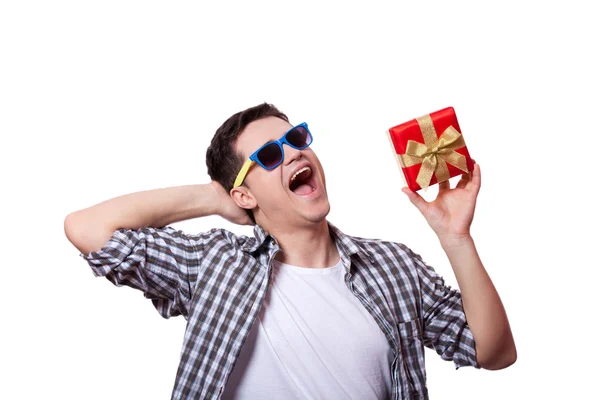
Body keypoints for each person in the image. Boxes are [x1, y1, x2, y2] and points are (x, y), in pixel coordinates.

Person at [64, 103, 516, 400]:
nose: (294, 154)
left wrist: (456, 238)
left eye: (296, 140)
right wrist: (214, 198)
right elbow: (86, 228)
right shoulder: (215, 265)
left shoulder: (394, 267)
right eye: (267, 155)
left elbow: (494, 353)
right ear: (244, 195)